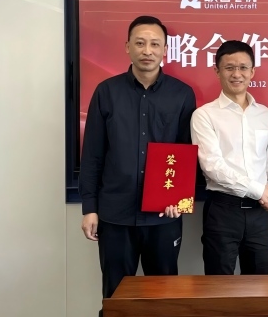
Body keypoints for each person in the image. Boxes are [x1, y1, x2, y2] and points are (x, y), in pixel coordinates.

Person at [78, 16, 197, 315]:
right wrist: (89, 208)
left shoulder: (182, 94)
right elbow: (92, 154)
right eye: (140, 43)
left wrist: (180, 202)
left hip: (164, 216)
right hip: (115, 215)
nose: (147, 50)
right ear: (127, 47)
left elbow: (187, 155)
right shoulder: (107, 92)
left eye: (155, 44)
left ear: (165, 50)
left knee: (165, 299)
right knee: (116, 297)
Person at [190, 40, 268, 275]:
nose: (237, 74)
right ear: (217, 71)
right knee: (218, 286)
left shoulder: (265, 114)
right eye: (229, 67)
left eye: (243, 67)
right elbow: (212, 166)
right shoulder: (204, 115)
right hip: (223, 210)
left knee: (260, 285)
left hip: (261, 213)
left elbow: (267, 166)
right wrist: (259, 191)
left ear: (252, 72)